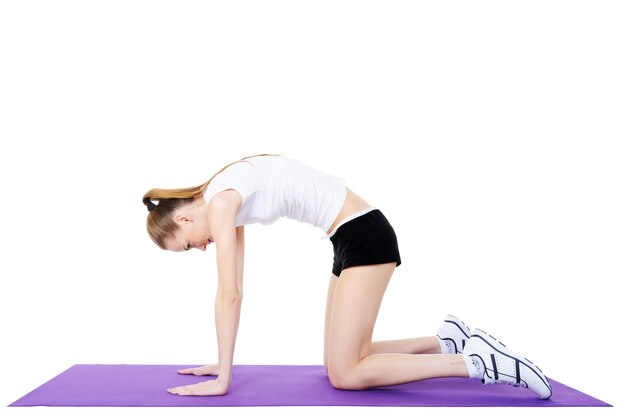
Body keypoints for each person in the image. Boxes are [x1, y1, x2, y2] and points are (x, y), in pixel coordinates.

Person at [142, 153, 552, 399]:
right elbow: (236, 285)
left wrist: (224, 380)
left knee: (345, 373)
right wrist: (222, 363)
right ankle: (445, 341)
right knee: (338, 359)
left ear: (183, 217)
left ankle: (478, 363)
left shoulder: (221, 201)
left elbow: (228, 294)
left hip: (364, 234)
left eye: (188, 244)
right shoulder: (222, 192)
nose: (200, 248)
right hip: (348, 237)